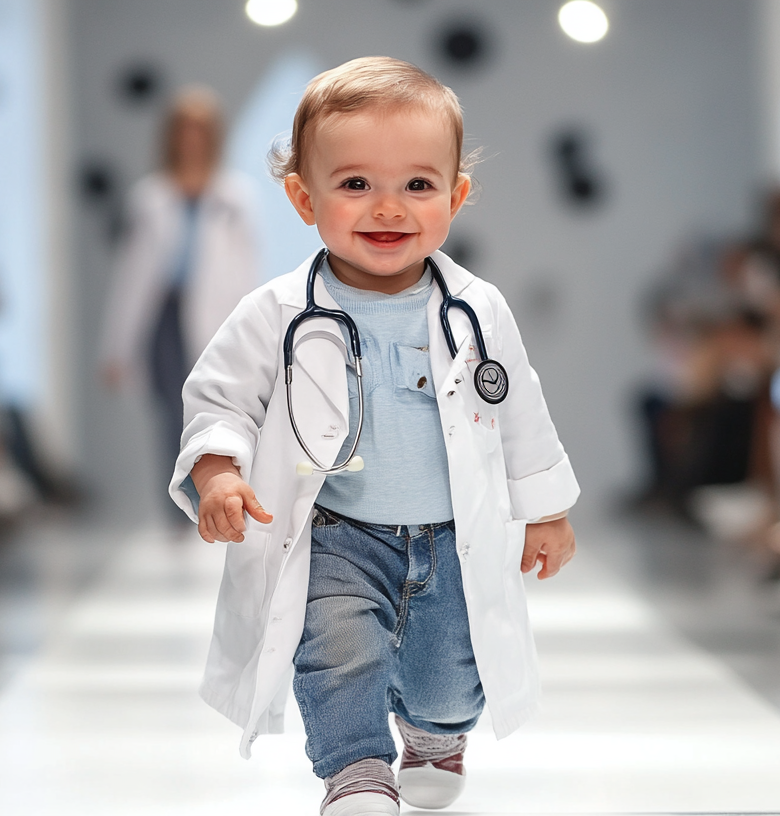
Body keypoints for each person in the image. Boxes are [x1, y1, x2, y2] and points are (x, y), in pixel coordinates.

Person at [171, 58, 579, 816]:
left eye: (418, 186)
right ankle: (354, 771)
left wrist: (547, 509)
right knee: (335, 653)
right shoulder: (275, 312)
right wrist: (219, 474)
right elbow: (218, 398)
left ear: (456, 197)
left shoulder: (477, 308)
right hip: (334, 533)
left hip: (452, 534)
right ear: (302, 198)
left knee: (450, 674)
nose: (388, 208)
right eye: (355, 184)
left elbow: (520, 407)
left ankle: (435, 734)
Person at [100, 87, 259, 526]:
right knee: (173, 409)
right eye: (184, 130)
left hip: (217, 317)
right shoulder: (150, 198)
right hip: (164, 318)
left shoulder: (235, 197)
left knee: (216, 407)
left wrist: (255, 332)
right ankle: (179, 511)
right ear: (171, 136)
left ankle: (215, 499)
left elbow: (246, 269)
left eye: (200, 130)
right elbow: (131, 278)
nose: (191, 139)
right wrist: (116, 348)